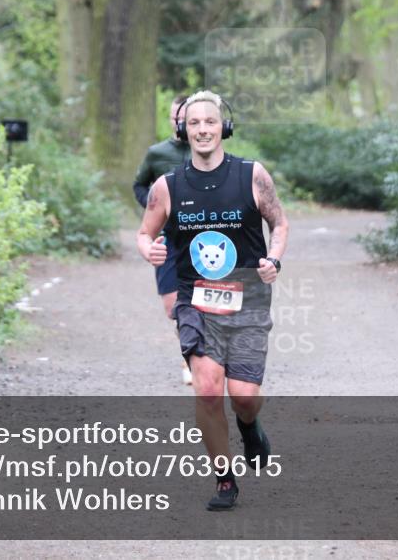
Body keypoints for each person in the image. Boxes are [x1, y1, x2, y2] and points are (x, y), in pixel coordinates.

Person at [136, 90, 289, 511]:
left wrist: (273, 258)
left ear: (224, 127)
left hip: (248, 299)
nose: (203, 129)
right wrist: (148, 249)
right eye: (194, 123)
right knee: (207, 391)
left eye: (210, 122)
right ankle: (224, 479)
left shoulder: (252, 175)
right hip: (194, 299)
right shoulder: (167, 186)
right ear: (183, 129)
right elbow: (144, 232)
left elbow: (279, 222)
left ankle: (250, 425)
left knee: (243, 396)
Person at [133, 95, 193, 385]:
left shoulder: (208, 151)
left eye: (187, 118)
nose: (180, 123)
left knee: (204, 301)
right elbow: (139, 184)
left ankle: (196, 358)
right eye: (176, 118)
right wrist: (155, 207)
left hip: (202, 238)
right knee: (173, 307)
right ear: (170, 119)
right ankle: (190, 353)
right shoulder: (157, 153)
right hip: (167, 239)